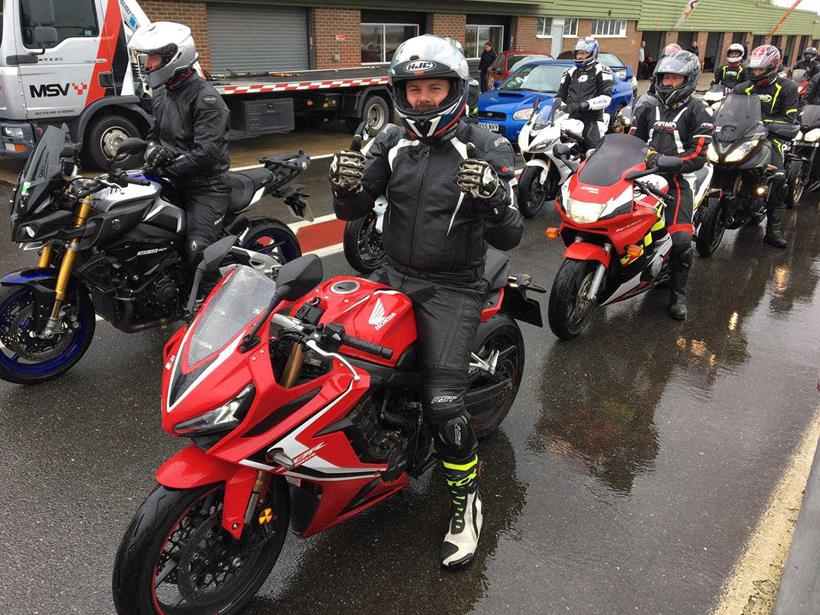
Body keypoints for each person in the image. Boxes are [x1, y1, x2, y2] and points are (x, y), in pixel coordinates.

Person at [329, 34, 522, 569]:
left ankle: (467, 505)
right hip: (392, 274)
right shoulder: (390, 139)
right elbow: (356, 206)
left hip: (452, 287)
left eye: (434, 88)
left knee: (443, 404)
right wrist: (343, 187)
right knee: (342, 361)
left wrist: (495, 197)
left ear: (455, 90)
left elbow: (509, 237)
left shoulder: (487, 146)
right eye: (414, 90)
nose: (423, 100)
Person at [127, 22, 230, 293]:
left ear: (176, 56)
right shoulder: (162, 95)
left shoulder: (206, 99)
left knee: (198, 252)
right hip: (172, 180)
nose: (147, 65)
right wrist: (152, 150)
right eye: (147, 58)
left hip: (206, 187)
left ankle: (213, 309)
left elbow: (206, 155)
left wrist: (166, 169)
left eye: (153, 58)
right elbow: (154, 135)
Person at [633, 50, 713, 320]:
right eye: (665, 77)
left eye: (675, 78)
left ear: (688, 79)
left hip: (677, 180)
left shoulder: (699, 110)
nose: (668, 83)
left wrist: (668, 162)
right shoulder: (647, 105)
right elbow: (633, 141)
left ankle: (678, 295)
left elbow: (698, 154)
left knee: (680, 240)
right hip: (643, 175)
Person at [734, 45, 799, 248]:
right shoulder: (742, 88)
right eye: (753, 69)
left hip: (772, 138)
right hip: (743, 136)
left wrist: (765, 124)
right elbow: (730, 112)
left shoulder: (787, 87)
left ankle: (773, 229)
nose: (755, 73)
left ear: (772, 67)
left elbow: (789, 120)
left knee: (778, 177)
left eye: (760, 70)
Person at [556, 36, 613, 154]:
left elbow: (606, 98)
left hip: (592, 119)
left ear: (593, 53)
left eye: (583, 53)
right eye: (578, 53)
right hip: (570, 118)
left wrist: (585, 105)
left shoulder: (602, 70)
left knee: (593, 154)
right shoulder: (569, 72)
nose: (580, 56)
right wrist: (560, 106)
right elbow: (560, 95)